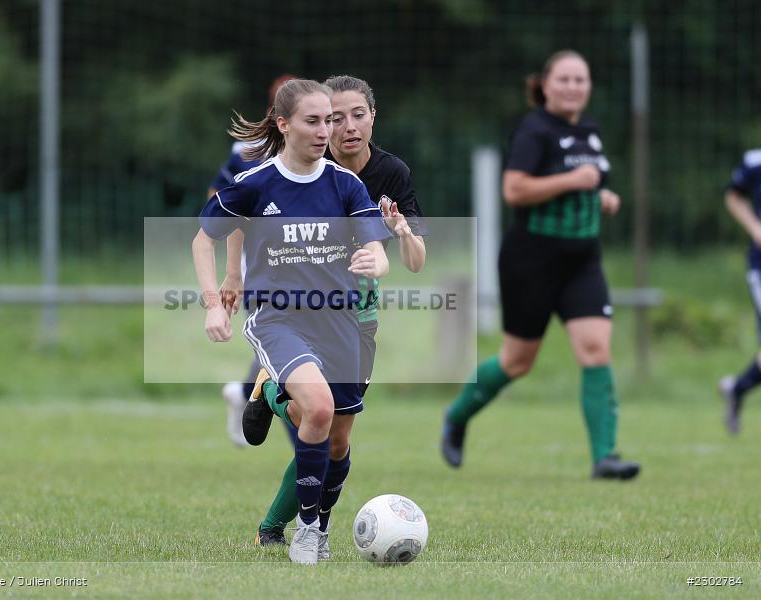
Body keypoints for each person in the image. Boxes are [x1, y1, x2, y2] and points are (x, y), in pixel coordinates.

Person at [193, 78, 390, 564]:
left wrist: (377, 259)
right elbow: (204, 238)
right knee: (319, 409)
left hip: (339, 321)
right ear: (283, 124)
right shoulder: (256, 182)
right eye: (313, 121)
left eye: (330, 121)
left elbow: (374, 242)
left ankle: (272, 399)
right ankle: (305, 531)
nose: (325, 131)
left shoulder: (346, 184)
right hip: (277, 318)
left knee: (337, 438)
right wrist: (215, 301)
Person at [236, 75, 427, 550]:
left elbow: (416, 261)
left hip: (356, 318)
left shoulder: (391, 173)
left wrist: (401, 233)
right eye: (333, 118)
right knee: (316, 419)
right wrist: (232, 277)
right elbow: (240, 216)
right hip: (298, 314)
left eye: (356, 115)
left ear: (373, 117)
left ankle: (269, 392)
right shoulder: (302, 165)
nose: (345, 127)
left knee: (337, 439)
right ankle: (291, 531)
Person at [440, 50, 641, 480]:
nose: (572, 87)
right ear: (545, 85)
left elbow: (588, 183)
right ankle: (457, 416)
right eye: (564, 79)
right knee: (517, 361)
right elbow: (514, 190)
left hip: (583, 260)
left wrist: (601, 197)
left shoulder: (590, 131)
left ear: (589, 86)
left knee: (596, 349)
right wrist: (574, 181)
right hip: (531, 261)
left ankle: (605, 457)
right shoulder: (534, 130)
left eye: (580, 79)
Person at [211, 74, 295, 448]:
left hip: (307, 263)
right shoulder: (249, 150)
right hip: (262, 267)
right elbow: (220, 198)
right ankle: (310, 457)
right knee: (287, 347)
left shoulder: (320, 148)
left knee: (289, 348)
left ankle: (247, 392)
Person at [718, 149, 761, 435]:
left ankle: (737, 389)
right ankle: (737, 389)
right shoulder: (755, 162)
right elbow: (733, 196)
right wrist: (755, 228)